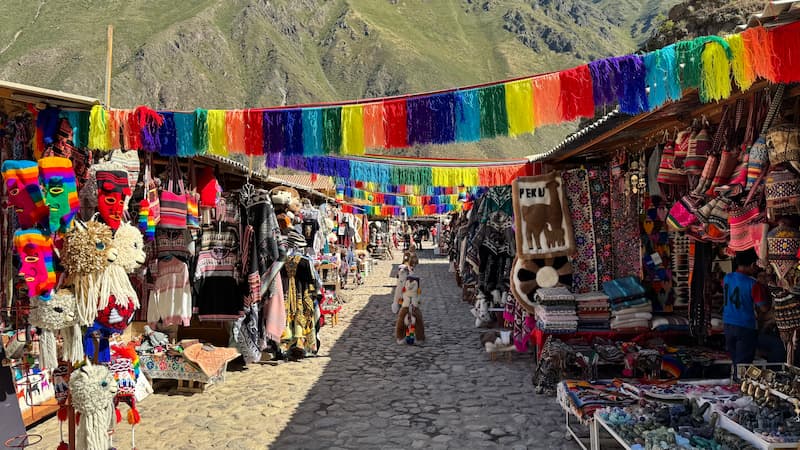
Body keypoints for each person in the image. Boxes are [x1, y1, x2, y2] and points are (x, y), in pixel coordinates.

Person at [723, 248, 770, 375]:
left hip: (728, 325)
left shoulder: (727, 278)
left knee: (735, 361)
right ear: (752, 265)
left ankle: (735, 386)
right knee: (743, 364)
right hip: (745, 327)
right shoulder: (753, 284)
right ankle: (740, 388)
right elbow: (764, 308)